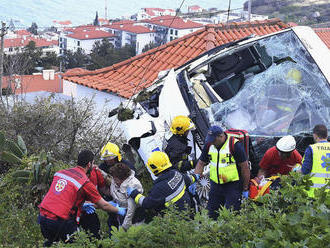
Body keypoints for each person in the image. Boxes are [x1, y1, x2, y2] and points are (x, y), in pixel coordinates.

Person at [38, 150, 126, 246]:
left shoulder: (60, 173)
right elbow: (104, 205)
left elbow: (62, 195)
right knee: (78, 244)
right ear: (89, 164)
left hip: (42, 217)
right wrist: (118, 210)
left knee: (52, 243)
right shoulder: (85, 182)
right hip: (59, 220)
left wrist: (82, 204)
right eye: (93, 163)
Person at [194, 126, 250, 220]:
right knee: (211, 213)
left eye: (214, 140)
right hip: (215, 185)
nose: (212, 142)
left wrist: (245, 188)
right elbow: (201, 163)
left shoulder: (234, 145)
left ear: (221, 136)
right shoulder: (209, 145)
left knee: (231, 215)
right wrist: (195, 178)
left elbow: (245, 167)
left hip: (232, 186)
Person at [126, 151, 199, 215]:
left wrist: (134, 193)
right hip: (191, 210)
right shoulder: (176, 173)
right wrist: (196, 176)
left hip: (177, 221)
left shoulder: (158, 188)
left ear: (153, 167)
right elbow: (188, 179)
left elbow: (146, 203)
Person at [107, 162, 144, 234]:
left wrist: (124, 227)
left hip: (135, 217)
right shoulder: (115, 181)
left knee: (138, 239)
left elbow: (131, 209)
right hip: (121, 216)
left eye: (115, 179)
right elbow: (115, 193)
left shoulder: (133, 184)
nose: (114, 181)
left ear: (123, 179)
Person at [79, 165, 110, 239]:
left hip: (90, 210)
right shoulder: (77, 177)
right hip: (76, 211)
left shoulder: (96, 172)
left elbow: (104, 190)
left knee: (94, 231)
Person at [301, 124, 329, 197]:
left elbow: (305, 170)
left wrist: (296, 170)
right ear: (327, 135)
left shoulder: (312, 149)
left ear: (315, 135)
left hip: (315, 194)